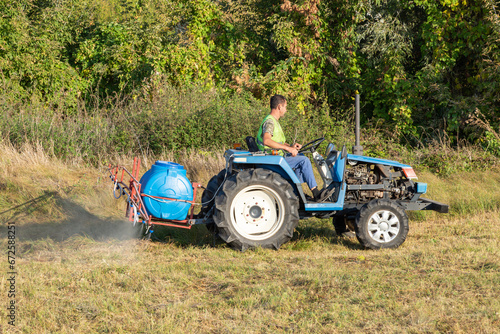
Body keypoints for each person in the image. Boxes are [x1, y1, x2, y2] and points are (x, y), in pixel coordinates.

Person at [256, 94, 335, 202]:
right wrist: (288, 149)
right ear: (279, 107)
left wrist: (291, 146)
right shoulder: (270, 122)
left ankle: (296, 193)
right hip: (273, 159)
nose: (286, 110)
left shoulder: (273, 121)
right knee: (304, 161)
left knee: (300, 156)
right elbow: (267, 141)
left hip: (276, 155)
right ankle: (316, 193)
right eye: (285, 107)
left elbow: (277, 142)